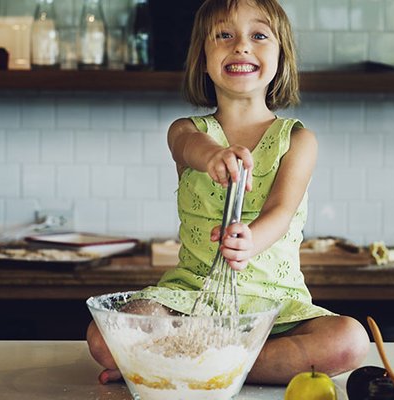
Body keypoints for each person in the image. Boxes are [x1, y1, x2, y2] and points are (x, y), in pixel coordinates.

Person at [87, 0, 369, 385]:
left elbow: (282, 210)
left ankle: (189, 366)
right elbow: (189, 145)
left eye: (258, 35)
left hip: (274, 308)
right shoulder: (186, 131)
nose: (241, 46)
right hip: (191, 300)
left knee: (350, 340)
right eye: (223, 35)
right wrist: (214, 156)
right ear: (202, 59)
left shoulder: (298, 140)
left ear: (281, 57)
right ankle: (218, 365)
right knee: (103, 336)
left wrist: (251, 241)